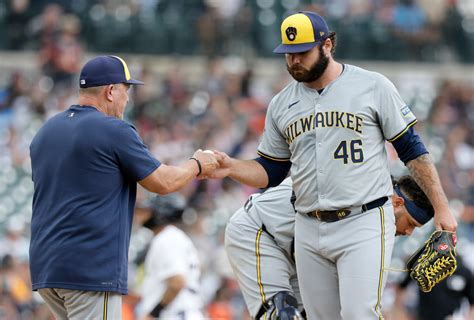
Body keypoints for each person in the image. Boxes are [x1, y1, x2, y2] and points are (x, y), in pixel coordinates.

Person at [205, 11, 457, 319]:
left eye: (302, 52)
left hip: (362, 218)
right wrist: (231, 166)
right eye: (289, 54)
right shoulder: (281, 104)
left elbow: (411, 148)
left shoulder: (372, 86)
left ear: (328, 45)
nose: (294, 61)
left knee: (358, 314)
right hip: (309, 224)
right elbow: (271, 171)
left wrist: (441, 206)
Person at [29, 55, 220, 320]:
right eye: (125, 90)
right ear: (110, 91)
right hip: (89, 268)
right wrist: (196, 164)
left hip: (46, 266)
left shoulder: (46, 131)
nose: (127, 99)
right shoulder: (113, 129)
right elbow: (163, 182)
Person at [224, 175, 435, 319]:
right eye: (411, 224)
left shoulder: (374, 214)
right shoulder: (360, 191)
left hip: (297, 254)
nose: (409, 233)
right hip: (260, 233)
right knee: (282, 314)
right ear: (397, 203)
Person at [137, 193, 204, 320]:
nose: (145, 214)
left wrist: (153, 313)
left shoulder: (167, 239)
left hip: (175, 315)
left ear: (161, 213)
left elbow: (177, 282)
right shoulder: (176, 237)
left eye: (150, 210)